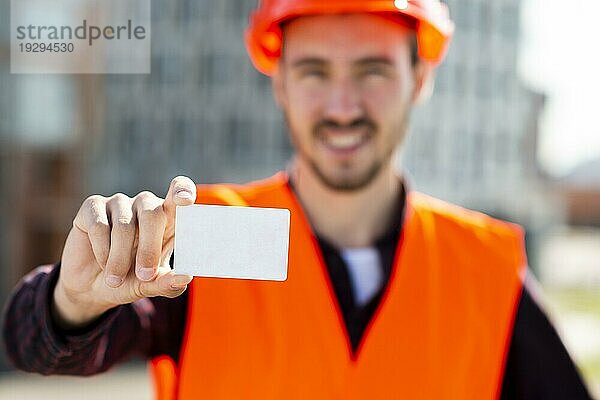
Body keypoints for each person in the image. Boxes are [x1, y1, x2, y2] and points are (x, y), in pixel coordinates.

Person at [2, 0, 593, 399]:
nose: (342, 106)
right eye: (314, 71)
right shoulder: (222, 236)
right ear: (279, 81)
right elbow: (40, 347)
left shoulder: (479, 265)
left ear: (419, 79)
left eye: (372, 71)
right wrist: (70, 304)